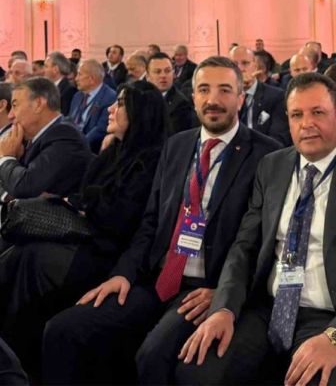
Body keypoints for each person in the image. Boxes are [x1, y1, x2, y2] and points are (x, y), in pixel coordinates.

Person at [42, 56, 282, 385]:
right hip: (158, 279)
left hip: (207, 287)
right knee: (63, 330)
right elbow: (151, 221)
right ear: (193, 97)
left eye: (225, 90)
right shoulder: (177, 146)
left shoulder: (267, 155)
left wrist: (226, 292)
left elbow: (262, 240)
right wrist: (124, 273)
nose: (213, 99)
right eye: (204, 90)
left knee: (154, 356)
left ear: (241, 98)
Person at [174, 72, 336, 385]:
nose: (306, 124)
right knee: (198, 370)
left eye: (318, 112)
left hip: (333, 316)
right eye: (297, 115)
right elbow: (245, 247)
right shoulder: (272, 166)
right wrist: (224, 308)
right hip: (268, 308)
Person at [0, 80, 168, 375]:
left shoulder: (152, 160)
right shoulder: (115, 151)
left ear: (140, 112)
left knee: (29, 258)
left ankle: (16, 360)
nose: (110, 109)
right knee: (22, 255)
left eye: (120, 103)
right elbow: (87, 197)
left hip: (108, 254)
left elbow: (119, 218)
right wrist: (83, 204)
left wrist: (84, 205)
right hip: (88, 240)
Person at [0, 77, 92, 200]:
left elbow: (26, 187)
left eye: (15, 105)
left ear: (38, 104)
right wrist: (16, 158)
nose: (10, 115)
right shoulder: (36, 137)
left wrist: (7, 157)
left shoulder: (65, 136)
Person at [229, 45, 291, 146]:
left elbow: (279, 140)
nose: (240, 69)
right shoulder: (226, 98)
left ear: (255, 66)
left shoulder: (276, 96)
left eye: (245, 63)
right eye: (234, 64)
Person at [69, 59, 117, 153]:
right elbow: (70, 120)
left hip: (90, 149)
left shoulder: (110, 97)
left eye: (79, 74)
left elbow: (100, 129)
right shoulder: (77, 96)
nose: (76, 79)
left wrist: (78, 145)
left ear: (91, 79)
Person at [146, 52, 198, 135]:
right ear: (147, 76)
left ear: (173, 74)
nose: (163, 75)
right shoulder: (139, 100)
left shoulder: (182, 104)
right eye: (157, 72)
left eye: (167, 71)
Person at [43, 51, 77, 116]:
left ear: (55, 69)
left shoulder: (69, 90)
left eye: (46, 66)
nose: (43, 70)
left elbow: (64, 116)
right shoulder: (47, 88)